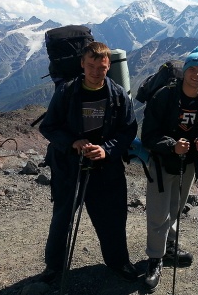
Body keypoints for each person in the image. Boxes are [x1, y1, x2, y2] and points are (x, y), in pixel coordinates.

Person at [38, 41, 139, 283]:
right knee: (62, 219)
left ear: (108, 66)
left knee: (113, 220)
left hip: (106, 170)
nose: (96, 72)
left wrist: (107, 149)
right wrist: (73, 142)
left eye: (101, 67)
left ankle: (118, 262)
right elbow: (48, 126)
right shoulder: (67, 92)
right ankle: (54, 267)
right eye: (91, 66)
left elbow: (129, 130)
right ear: (82, 64)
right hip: (70, 167)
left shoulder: (117, 96)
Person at [140, 45, 198, 293]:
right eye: (193, 69)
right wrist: (172, 146)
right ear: (185, 71)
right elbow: (148, 136)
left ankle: (169, 247)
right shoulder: (164, 96)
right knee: (157, 212)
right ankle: (155, 259)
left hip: (190, 164)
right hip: (164, 162)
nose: (197, 75)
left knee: (175, 208)